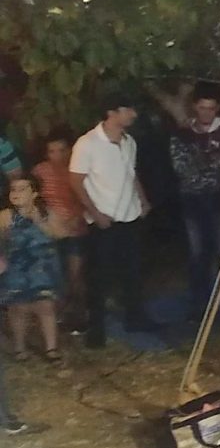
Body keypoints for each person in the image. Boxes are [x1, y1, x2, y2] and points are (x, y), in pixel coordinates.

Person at [68, 93, 148, 348]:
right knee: (98, 276)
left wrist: (142, 200)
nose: (133, 114)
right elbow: (76, 181)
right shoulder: (87, 143)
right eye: (128, 109)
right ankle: (96, 328)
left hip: (129, 214)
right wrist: (95, 213)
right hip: (104, 219)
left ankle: (135, 317)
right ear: (112, 113)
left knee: (133, 271)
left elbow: (131, 173)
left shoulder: (129, 141)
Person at [168, 86, 220, 326]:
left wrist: (200, 160)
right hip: (192, 199)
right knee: (197, 254)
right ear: (194, 107)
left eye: (211, 108)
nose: (206, 113)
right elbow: (181, 167)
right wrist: (212, 158)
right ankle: (199, 307)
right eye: (202, 108)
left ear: (217, 109)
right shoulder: (181, 134)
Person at [2, 173, 64, 364]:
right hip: (16, 267)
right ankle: (19, 347)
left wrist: (39, 221)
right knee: (18, 308)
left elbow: (61, 234)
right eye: (13, 189)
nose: (16, 193)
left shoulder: (46, 213)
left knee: (45, 306)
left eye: (22, 189)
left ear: (34, 193)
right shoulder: (5, 216)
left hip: (42, 267)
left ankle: (51, 348)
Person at [31, 135, 84, 317]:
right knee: (57, 274)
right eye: (52, 151)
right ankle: (61, 314)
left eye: (62, 150)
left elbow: (85, 197)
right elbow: (34, 198)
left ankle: (77, 312)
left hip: (75, 229)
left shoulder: (77, 169)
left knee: (75, 274)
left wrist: (76, 217)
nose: (58, 155)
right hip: (51, 230)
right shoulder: (40, 171)